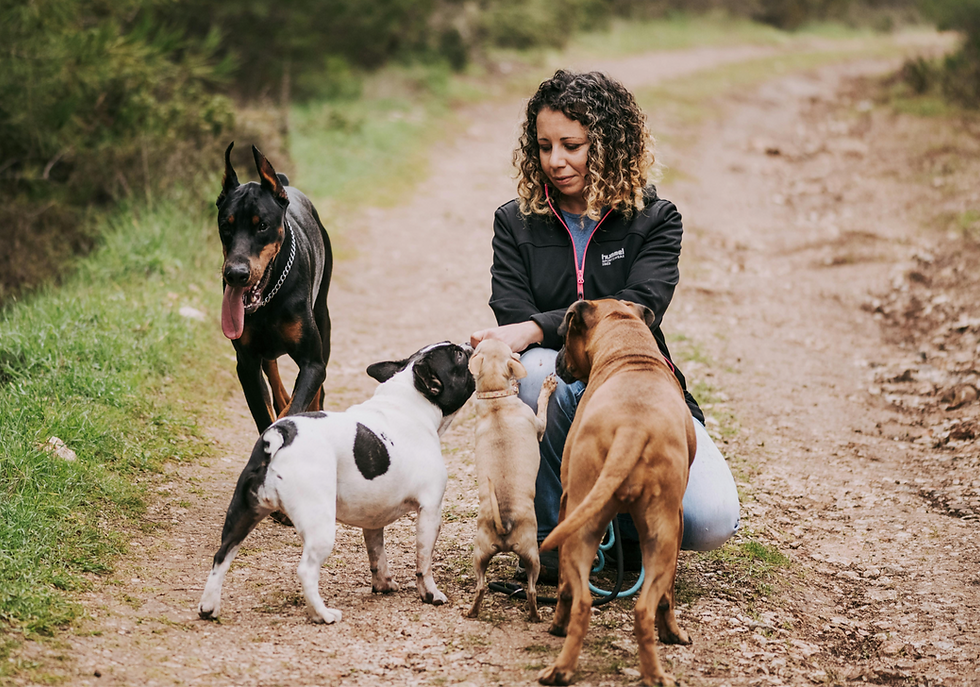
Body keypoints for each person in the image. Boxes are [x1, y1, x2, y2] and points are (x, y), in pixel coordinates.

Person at [469, 69, 740, 579]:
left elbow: (638, 306)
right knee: (550, 378)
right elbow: (511, 311)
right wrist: (526, 332)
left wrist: (532, 327)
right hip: (559, 370)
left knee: (711, 521)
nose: (556, 161)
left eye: (572, 145)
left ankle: (627, 530)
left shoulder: (656, 218)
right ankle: (555, 546)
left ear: (610, 143)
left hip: (639, 382)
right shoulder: (514, 221)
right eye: (544, 146)